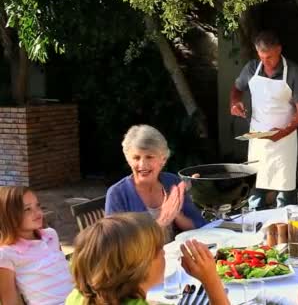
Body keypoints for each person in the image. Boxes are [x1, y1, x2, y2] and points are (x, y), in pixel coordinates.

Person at [66, 212, 229, 305]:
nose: (164, 253)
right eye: (158, 250)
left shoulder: (79, 296)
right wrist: (211, 280)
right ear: (138, 268)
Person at [230, 30, 298, 209]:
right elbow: (237, 88)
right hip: (258, 138)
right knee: (255, 191)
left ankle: (288, 230)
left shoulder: (293, 72)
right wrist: (235, 103)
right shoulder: (251, 68)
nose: (267, 62)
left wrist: (285, 131)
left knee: (285, 195)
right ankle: (255, 228)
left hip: (285, 139)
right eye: (263, 57)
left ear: (279, 50)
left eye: (271, 57)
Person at [105, 124, 205, 242]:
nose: (142, 165)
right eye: (136, 158)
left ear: (163, 159)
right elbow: (116, 245)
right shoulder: (117, 194)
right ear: (128, 159)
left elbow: (198, 225)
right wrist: (163, 220)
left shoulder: (172, 182)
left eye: (149, 157)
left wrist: (176, 214)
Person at [0, 186, 72, 305]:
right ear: (10, 216)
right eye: (27, 209)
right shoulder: (6, 254)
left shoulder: (51, 235)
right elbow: (10, 301)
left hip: (78, 299)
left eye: (37, 205)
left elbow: (62, 273)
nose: (38, 212)